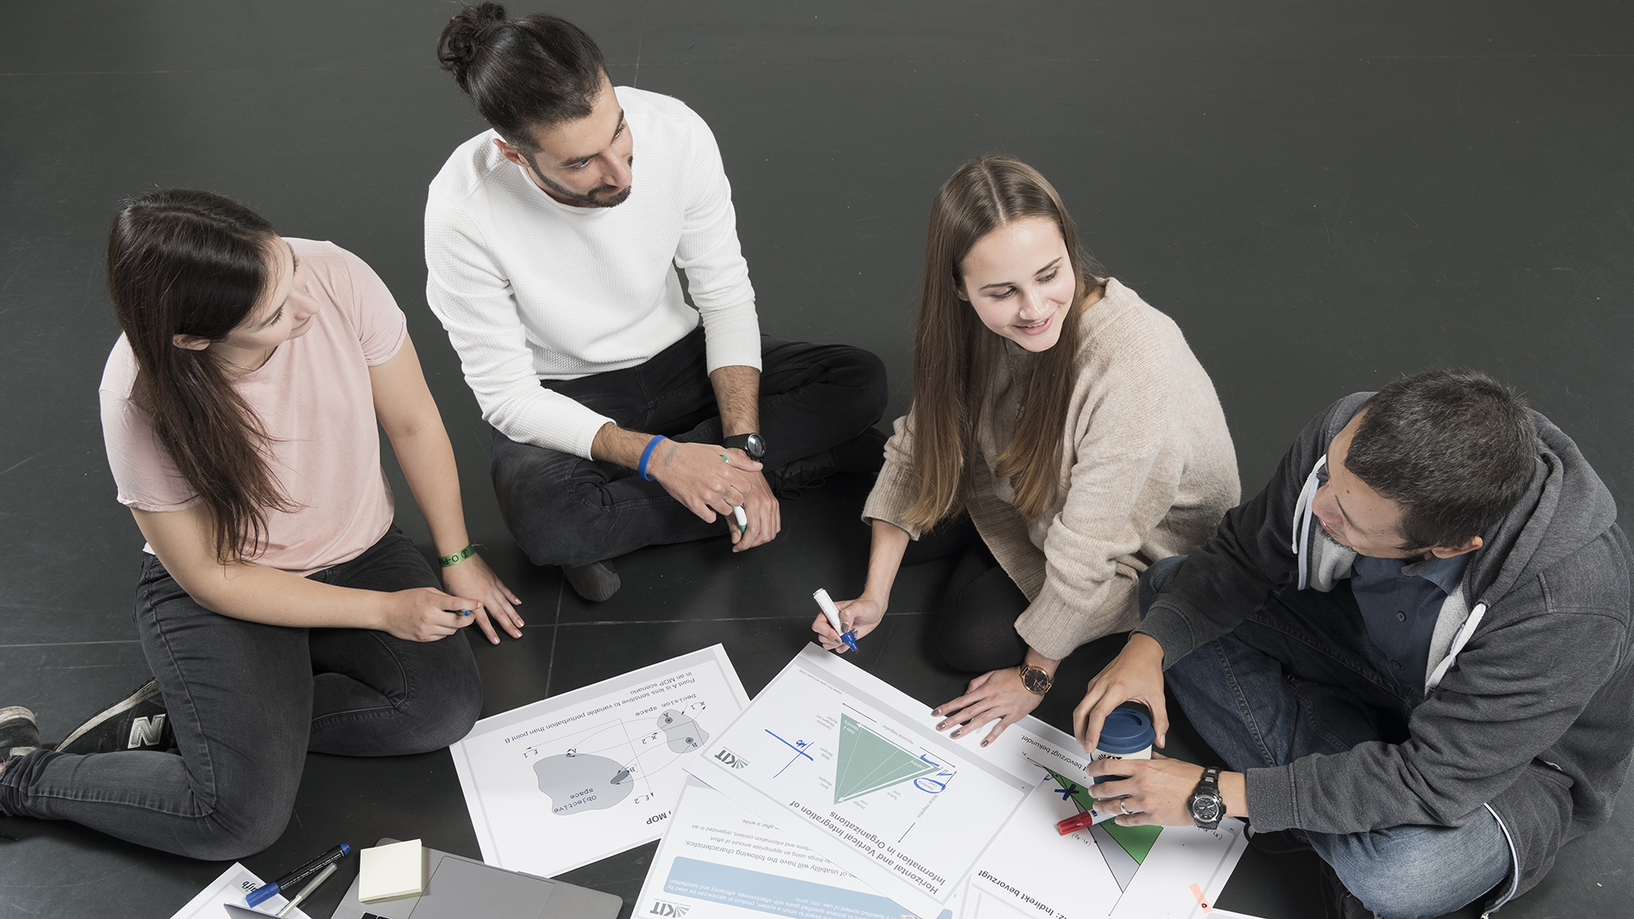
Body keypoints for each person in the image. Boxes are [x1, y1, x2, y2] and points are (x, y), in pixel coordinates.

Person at [0, 189, 519, 859]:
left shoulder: (334, 274)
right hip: (233, 586)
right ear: (192, 337)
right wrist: (384, 612)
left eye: (289, 271)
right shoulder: (135, 395)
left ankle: (187, 721)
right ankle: (19, 771)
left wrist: (457, 553)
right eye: (274, 312)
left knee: (440, 711)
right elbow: (213, 579)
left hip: (359, 548)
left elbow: (414, 420)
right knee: (236, 818)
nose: (306, 305)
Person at [1075, 369, 1634, 919]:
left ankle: (1336, 791)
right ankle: (1341, 795)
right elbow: (1243, 558)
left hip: (1510, 762)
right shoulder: (1349, 435)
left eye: (1348, 519)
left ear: (1449, 546)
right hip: (1379, 653)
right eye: (1329, 481)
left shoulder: (1567, 605)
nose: (1319, 509)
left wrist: (1214, 793)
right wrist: (1143, 651)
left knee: (1400, 877)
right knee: (1168, 594)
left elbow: (1434, 779)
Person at [426, 4, 889, 602]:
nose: (619, 172)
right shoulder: (462, 210)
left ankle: (682, 496)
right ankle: (786, 466)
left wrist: (740, 450)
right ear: (516, 154)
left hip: (681, 359)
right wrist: (663, 460)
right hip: (566, 392)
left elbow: (723, 296)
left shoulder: (675, 130)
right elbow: (507, 397)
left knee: (859, 380)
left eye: (616, 130)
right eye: (580, 162)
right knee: (549, 522)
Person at [812, 155, 1240, 744]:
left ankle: (994, 544)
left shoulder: (1133, 364)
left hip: (1141, 543)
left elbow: (1091, 546)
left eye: (1049, 274)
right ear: (959, 291)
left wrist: (1035, 678)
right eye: (1001, 291)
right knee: (884, 523)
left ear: (1069, 248)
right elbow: (920, 444)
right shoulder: (973, 324)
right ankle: (992, 539)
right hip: (1028, 485)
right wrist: (873, 595)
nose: (1035, 309)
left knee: (968, 638)